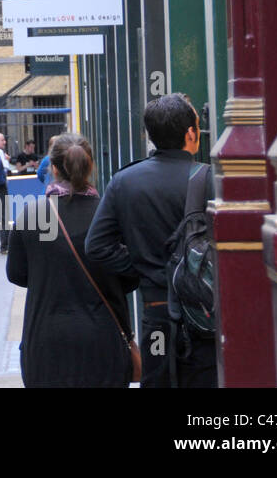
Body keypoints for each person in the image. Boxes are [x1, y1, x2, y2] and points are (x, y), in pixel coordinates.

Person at [86, 93, 216, 388]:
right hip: (205, 312)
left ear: (150, 135)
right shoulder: (209, 179)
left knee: (157, 379)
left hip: (156, 310)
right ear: (191, 134)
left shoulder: (125, 181)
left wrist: (142, 267)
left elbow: (96, 247)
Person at [6, 134, 136, 387]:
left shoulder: (32, 215)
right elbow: (130, 276)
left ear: (53, 169)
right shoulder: (111, 215)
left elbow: (16, 273)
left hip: (45, 341)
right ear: (90, 166)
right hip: (104, 338)